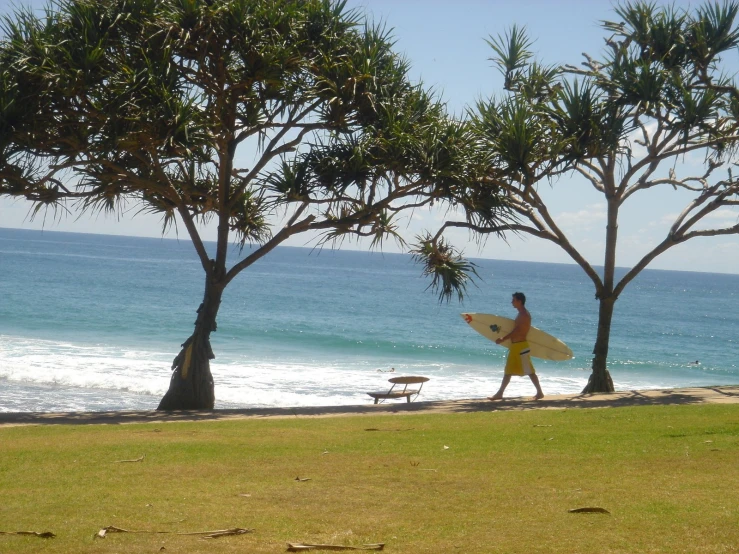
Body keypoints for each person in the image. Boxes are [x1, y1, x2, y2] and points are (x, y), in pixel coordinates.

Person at [489, 292, 545, 401]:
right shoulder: (520, 314)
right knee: (509, 370)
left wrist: (503, 339)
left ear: (519, 301)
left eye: (514, 300)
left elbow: (518, 331)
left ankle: (539, 392)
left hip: (521, 347)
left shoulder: (524, 315)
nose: (512, 302)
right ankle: (500, 393)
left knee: (529, 371)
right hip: (516, 347)